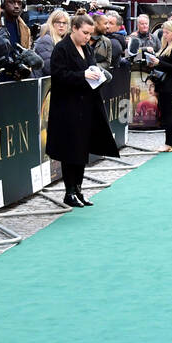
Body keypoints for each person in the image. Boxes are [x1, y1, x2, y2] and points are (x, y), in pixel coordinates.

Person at [46, 13, 119, 206]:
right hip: (67, 108)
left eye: (90, 33)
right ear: (74, 29)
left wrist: (97, 73)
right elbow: (59, 76)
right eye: (85, 33)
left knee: (82, 149)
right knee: (70, 150)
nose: (88, 37)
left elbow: (92, 68)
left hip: (86, 105)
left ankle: (78, 189)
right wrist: (83, 75)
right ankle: (69, 191)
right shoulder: (62, 49)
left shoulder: (86, 48)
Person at [146, 18, 172, 152]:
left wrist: (158, 63)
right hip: (164, 84)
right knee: (168, 114)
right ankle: (171, 143)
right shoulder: (165, 47)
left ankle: (170, 143)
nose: (165, 34)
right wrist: (154, 63)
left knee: (170, 115)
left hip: (170, 84)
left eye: (167, 32)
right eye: (164, 32)